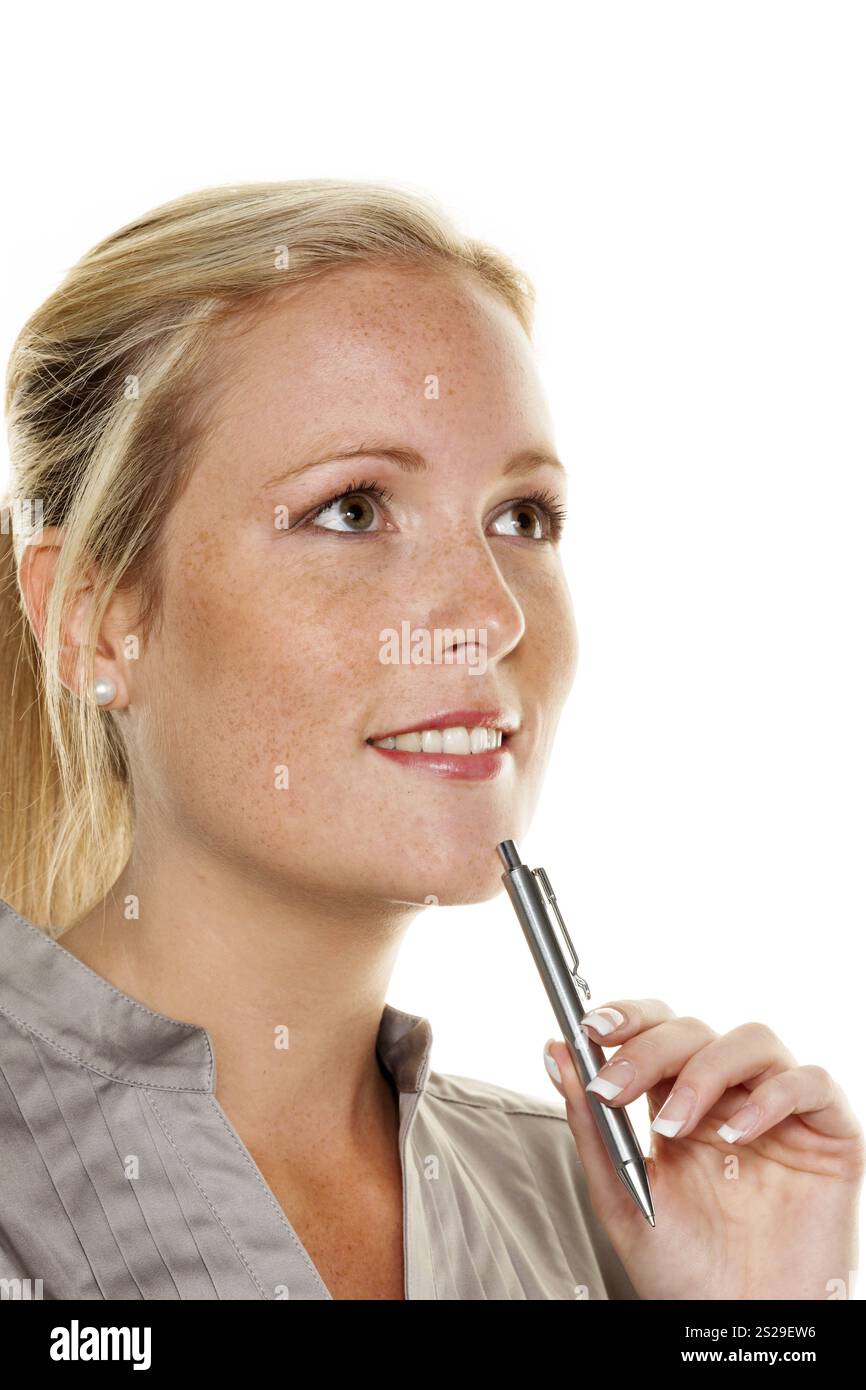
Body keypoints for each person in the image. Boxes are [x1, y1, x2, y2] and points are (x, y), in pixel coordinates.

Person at [0, 181, 862, 1301]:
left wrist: (750, 1322)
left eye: (522, 518)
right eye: (352, 509)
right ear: (94, 616)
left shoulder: (599, 1220)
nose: (490, 616)